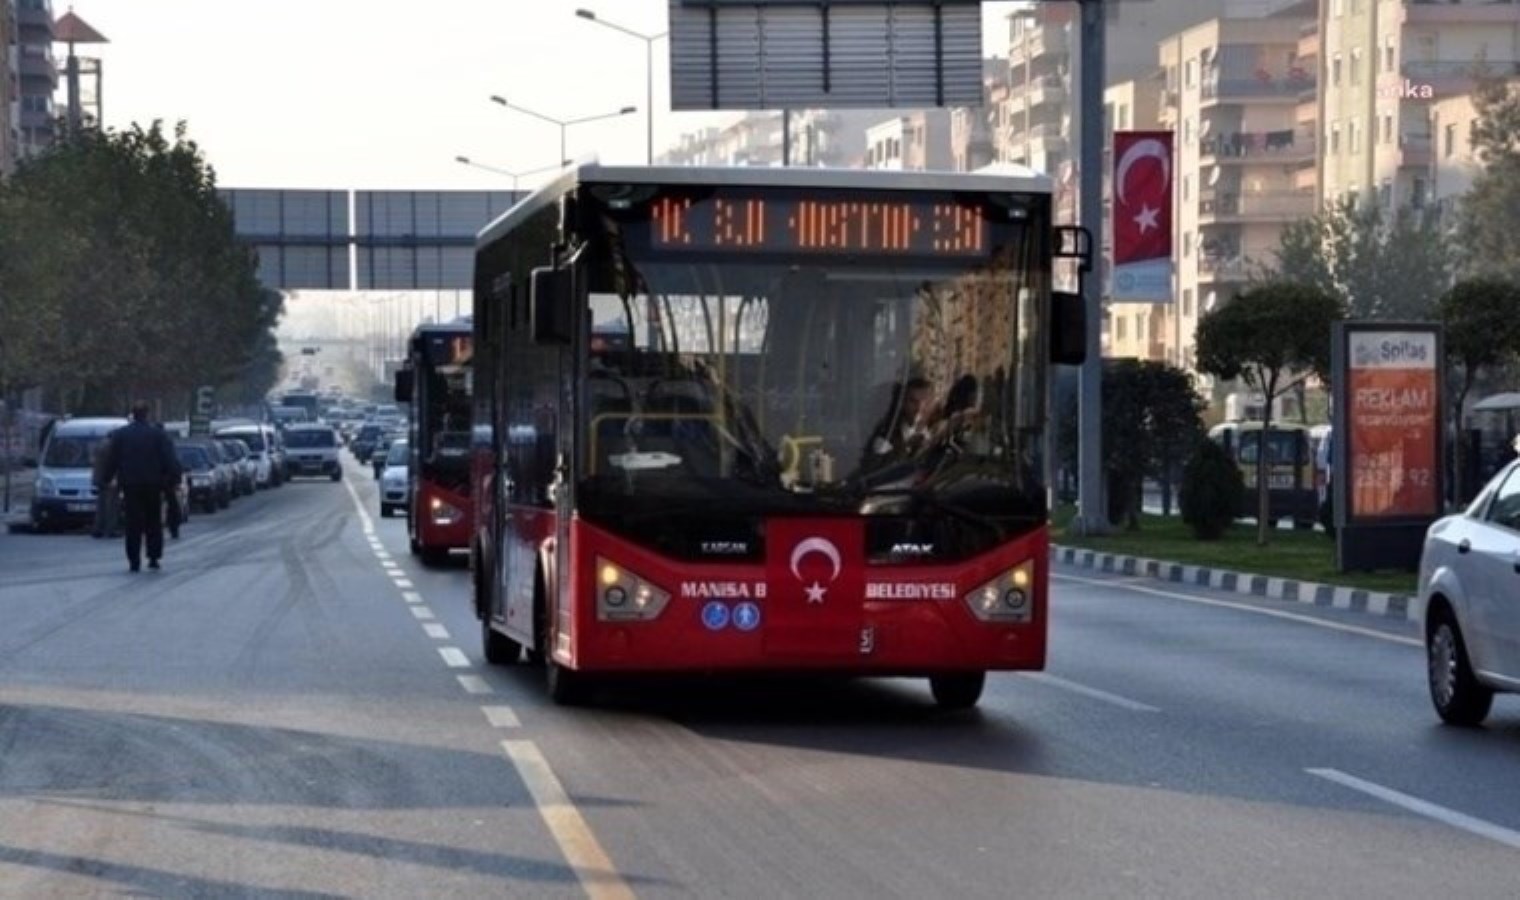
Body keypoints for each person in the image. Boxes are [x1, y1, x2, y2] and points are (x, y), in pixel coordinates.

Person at [97, 401, 180, 572]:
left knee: (133, 523)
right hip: (153, 484)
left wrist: (105, 478)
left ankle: (134, 560)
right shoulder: (158, 435)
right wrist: (173, 478)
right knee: (153, 521)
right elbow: (169, 459)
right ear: (147, 414)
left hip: (130, 484)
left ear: (133, 415)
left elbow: (112, 460)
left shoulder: (121, 435)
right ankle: (154, 556)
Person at [862, 377, 932, 468]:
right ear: (903, 403)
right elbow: (875, 468)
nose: (919, 408)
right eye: (913, 401)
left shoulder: (930, 427)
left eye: (925, 402)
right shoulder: (887, 432)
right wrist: (906, 447)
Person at [90, 438, 121, 540]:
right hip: (109, 479)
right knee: (111, 505)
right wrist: (114, 478)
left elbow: (94, 462)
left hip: (100, 479)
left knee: (101, 504)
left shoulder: (100, 445)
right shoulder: (111, 448)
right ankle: (110, 529)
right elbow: (112, 464)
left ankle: (98, 528)